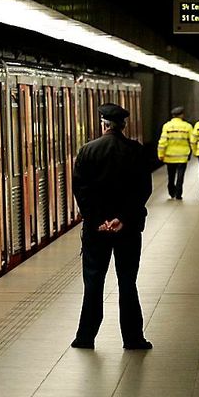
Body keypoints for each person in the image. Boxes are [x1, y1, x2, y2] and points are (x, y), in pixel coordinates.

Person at [71, 103, 153, 351]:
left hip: (96, 231)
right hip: (127, 230)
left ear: (103, 124)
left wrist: (98, 221)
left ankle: (86, 337)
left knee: (93, 283)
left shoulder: (87, 151)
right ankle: (133, 338)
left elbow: (81, 191)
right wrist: (123, 219)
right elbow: (143, 190)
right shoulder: (136, 151)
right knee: (127, 282)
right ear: (123, 125)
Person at [157, 106, 193, 199]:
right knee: (180, 176)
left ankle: (171, 191)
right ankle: (178, 194)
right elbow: (192, 141)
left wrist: (160, 154)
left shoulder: (167, 126)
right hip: (183, 156)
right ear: (181, 115)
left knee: (171, 175)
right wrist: (195, 152)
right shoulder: (187, 126)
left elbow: (163, 141)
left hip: (170, 156)